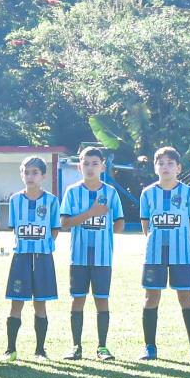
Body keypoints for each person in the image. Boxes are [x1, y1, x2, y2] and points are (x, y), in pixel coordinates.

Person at [138, 146, 190, 361]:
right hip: (154, 254)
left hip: (181, 254)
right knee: (151, 297)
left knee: (186, 297)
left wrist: (184, 245)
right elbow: (146, 224)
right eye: (160, 163)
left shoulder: (187, 193)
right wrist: (155, 241)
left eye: (170, 163)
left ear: (178, 168)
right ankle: (149, 347)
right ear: (155, 167)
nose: (165, 167)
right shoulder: (148, 193)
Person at [59, 144, 125, 361]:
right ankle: (76, 346)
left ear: (102, 167)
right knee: (77, 299)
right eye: (85, 163)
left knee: (101, 300)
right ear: (79, 167)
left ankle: (102, 347)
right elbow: (65, 223)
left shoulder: (110, 192)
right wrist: (91, 213)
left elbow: (120, 223)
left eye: (95, 164)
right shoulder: (72, 192)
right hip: (78, 257)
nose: (90, 167)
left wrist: (104, 234)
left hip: (102, 258)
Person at [3, 155, 62, 360]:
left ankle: (40, 350)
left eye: (35, 172)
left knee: (40, 303)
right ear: (22, 175)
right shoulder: (15, 200)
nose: (30, 176)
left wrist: (42, 244)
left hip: (42, 257)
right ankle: (10, 348)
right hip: (21, 257)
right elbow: (14, 228)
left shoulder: (51, 201)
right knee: (16, 302)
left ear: (43, 176)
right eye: (26, 172)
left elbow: (55, 229)